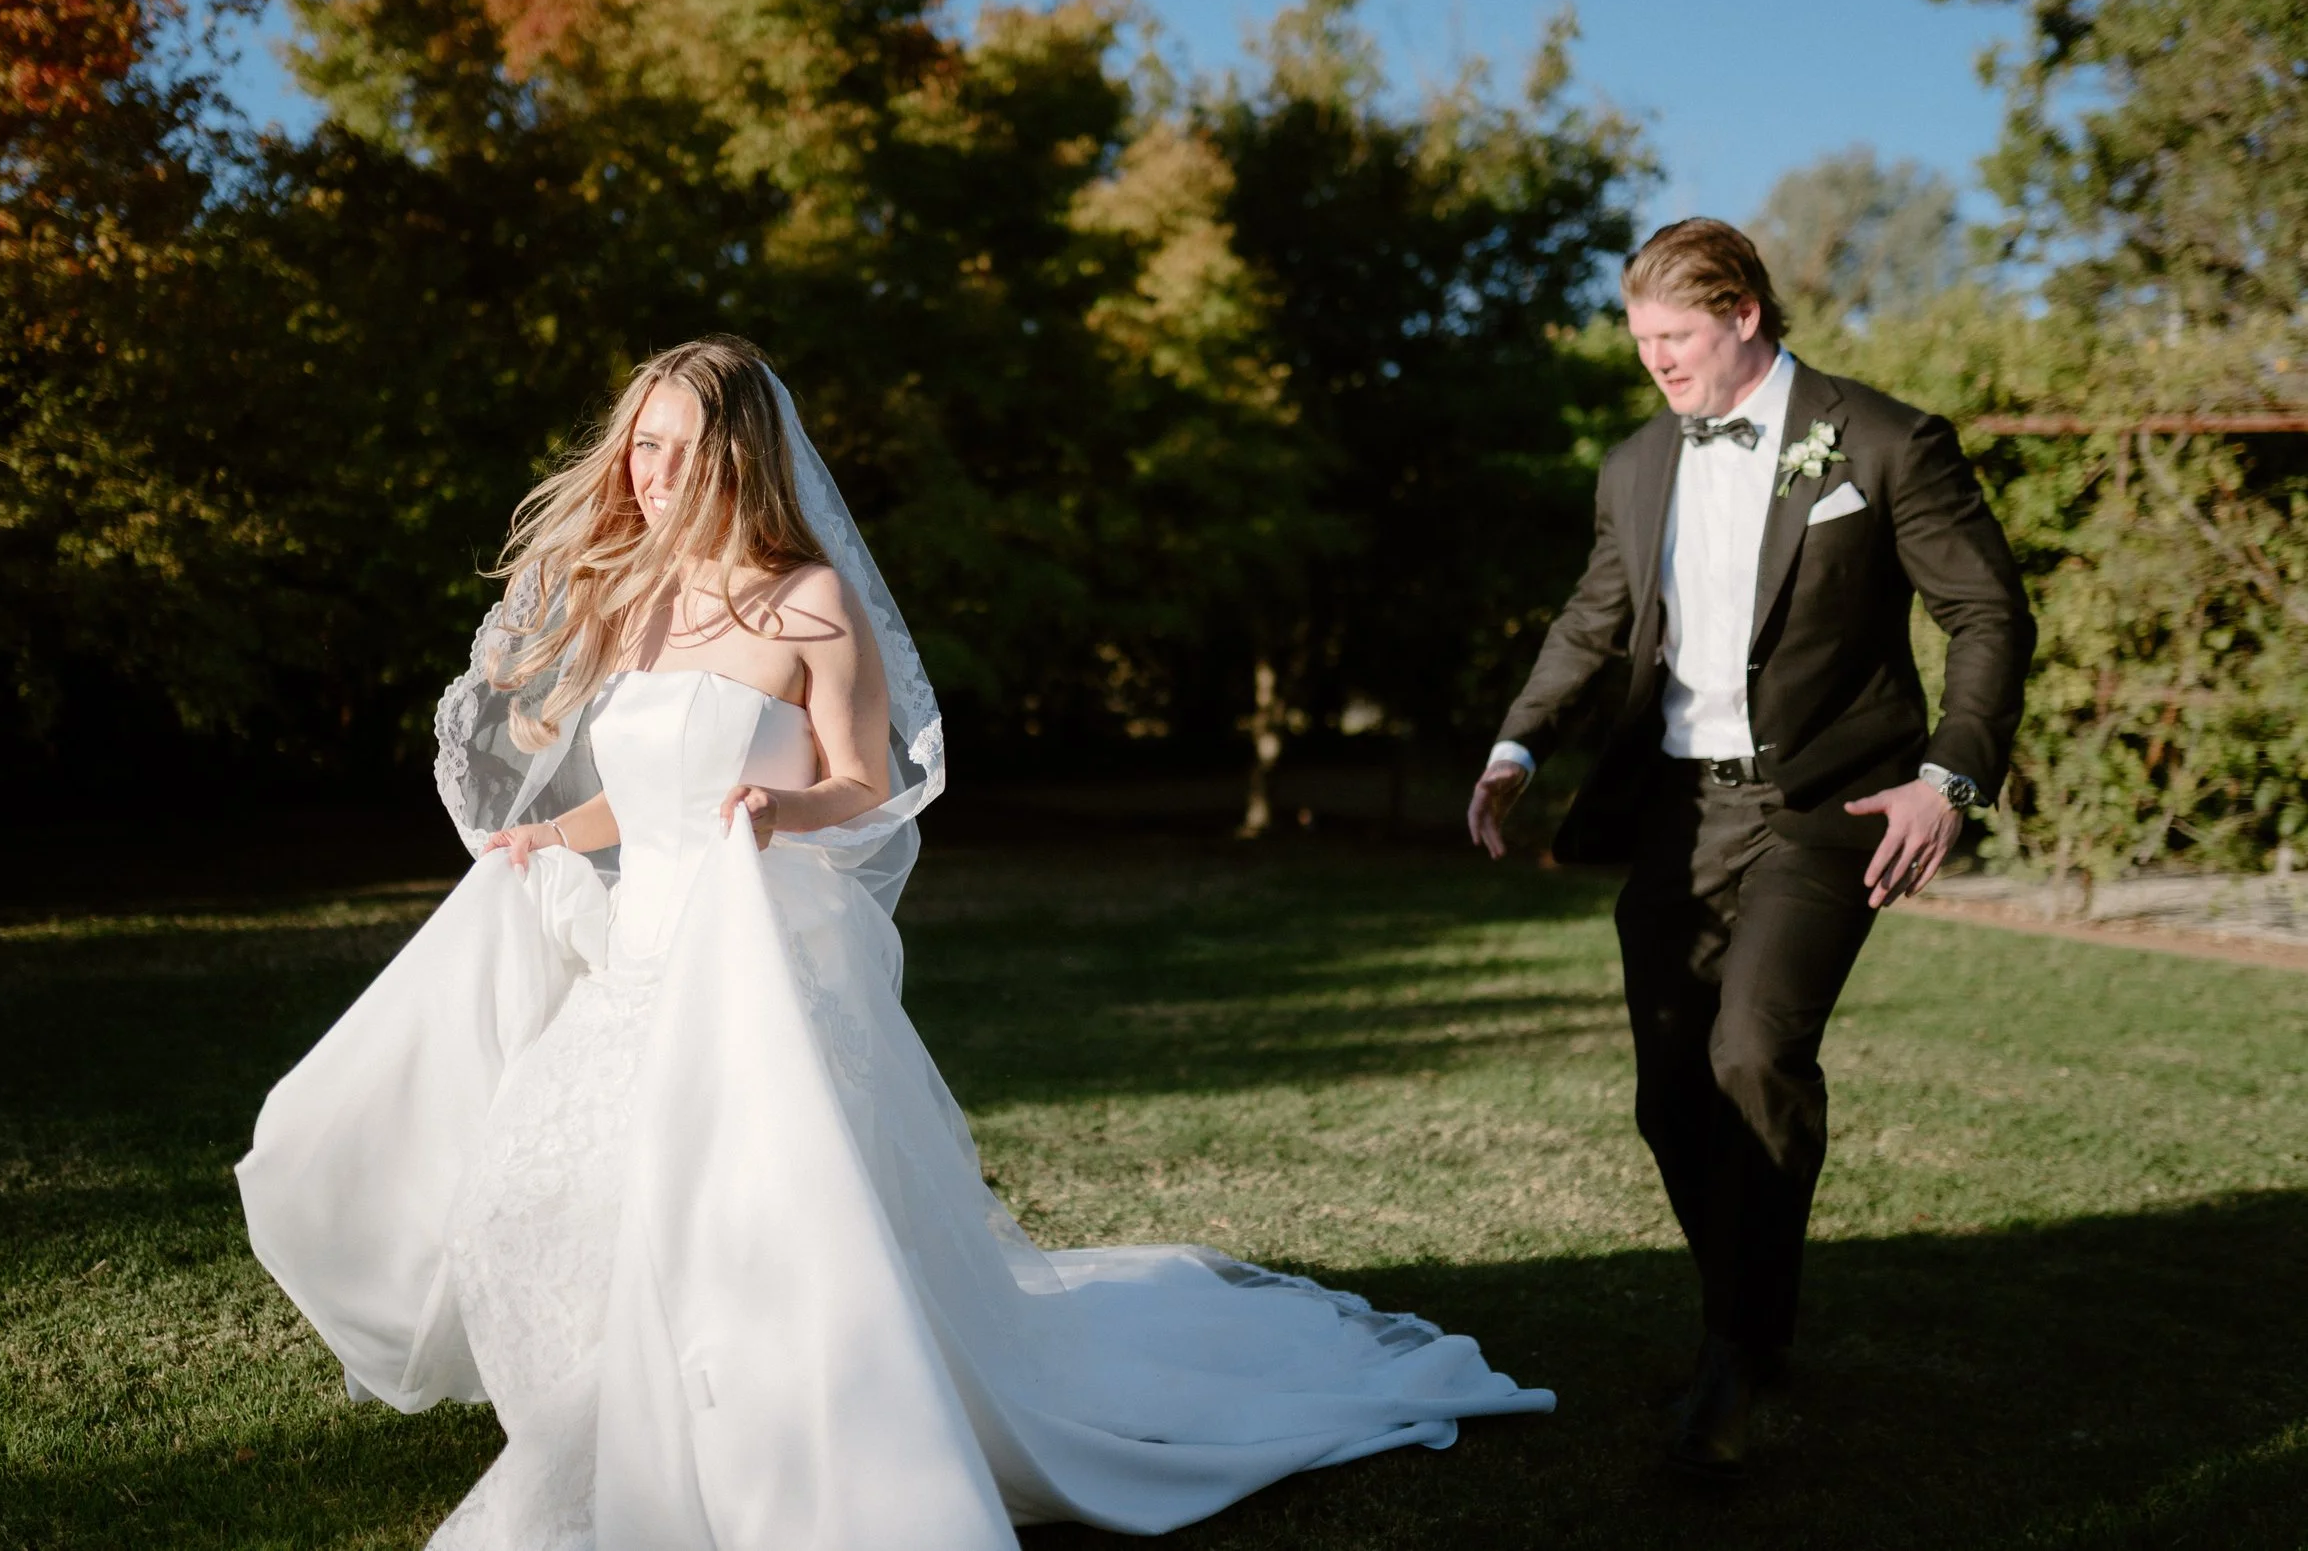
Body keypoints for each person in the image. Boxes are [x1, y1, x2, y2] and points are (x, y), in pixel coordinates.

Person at [238, 334, 1551, 1550]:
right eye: (642, 443)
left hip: (750, 964)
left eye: (683, 446)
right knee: (556, 1184)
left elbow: (869, 775)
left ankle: (746, 1442)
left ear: (740, 456)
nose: (655, 468)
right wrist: (555, 837)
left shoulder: (810, 601)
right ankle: (631, 1408)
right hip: (634, 960)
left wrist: (779, 804)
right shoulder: (630, 601)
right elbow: (631, 790)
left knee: (728, 1204)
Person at [1467, 221, 2034, 1482]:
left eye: (1671, 337)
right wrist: (1516, 744)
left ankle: (1736, 1356)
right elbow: (1595, 617)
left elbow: (1985, 609)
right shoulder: (1631, 465)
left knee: (1754, 1050)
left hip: (1828, 803)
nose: (1652, 361)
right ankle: (1749, 1323)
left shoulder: (1881, 439)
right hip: (1677, 810)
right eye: (1639, 341)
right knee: (1671, 1095)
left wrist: (1949, 777)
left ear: (1741, 313)